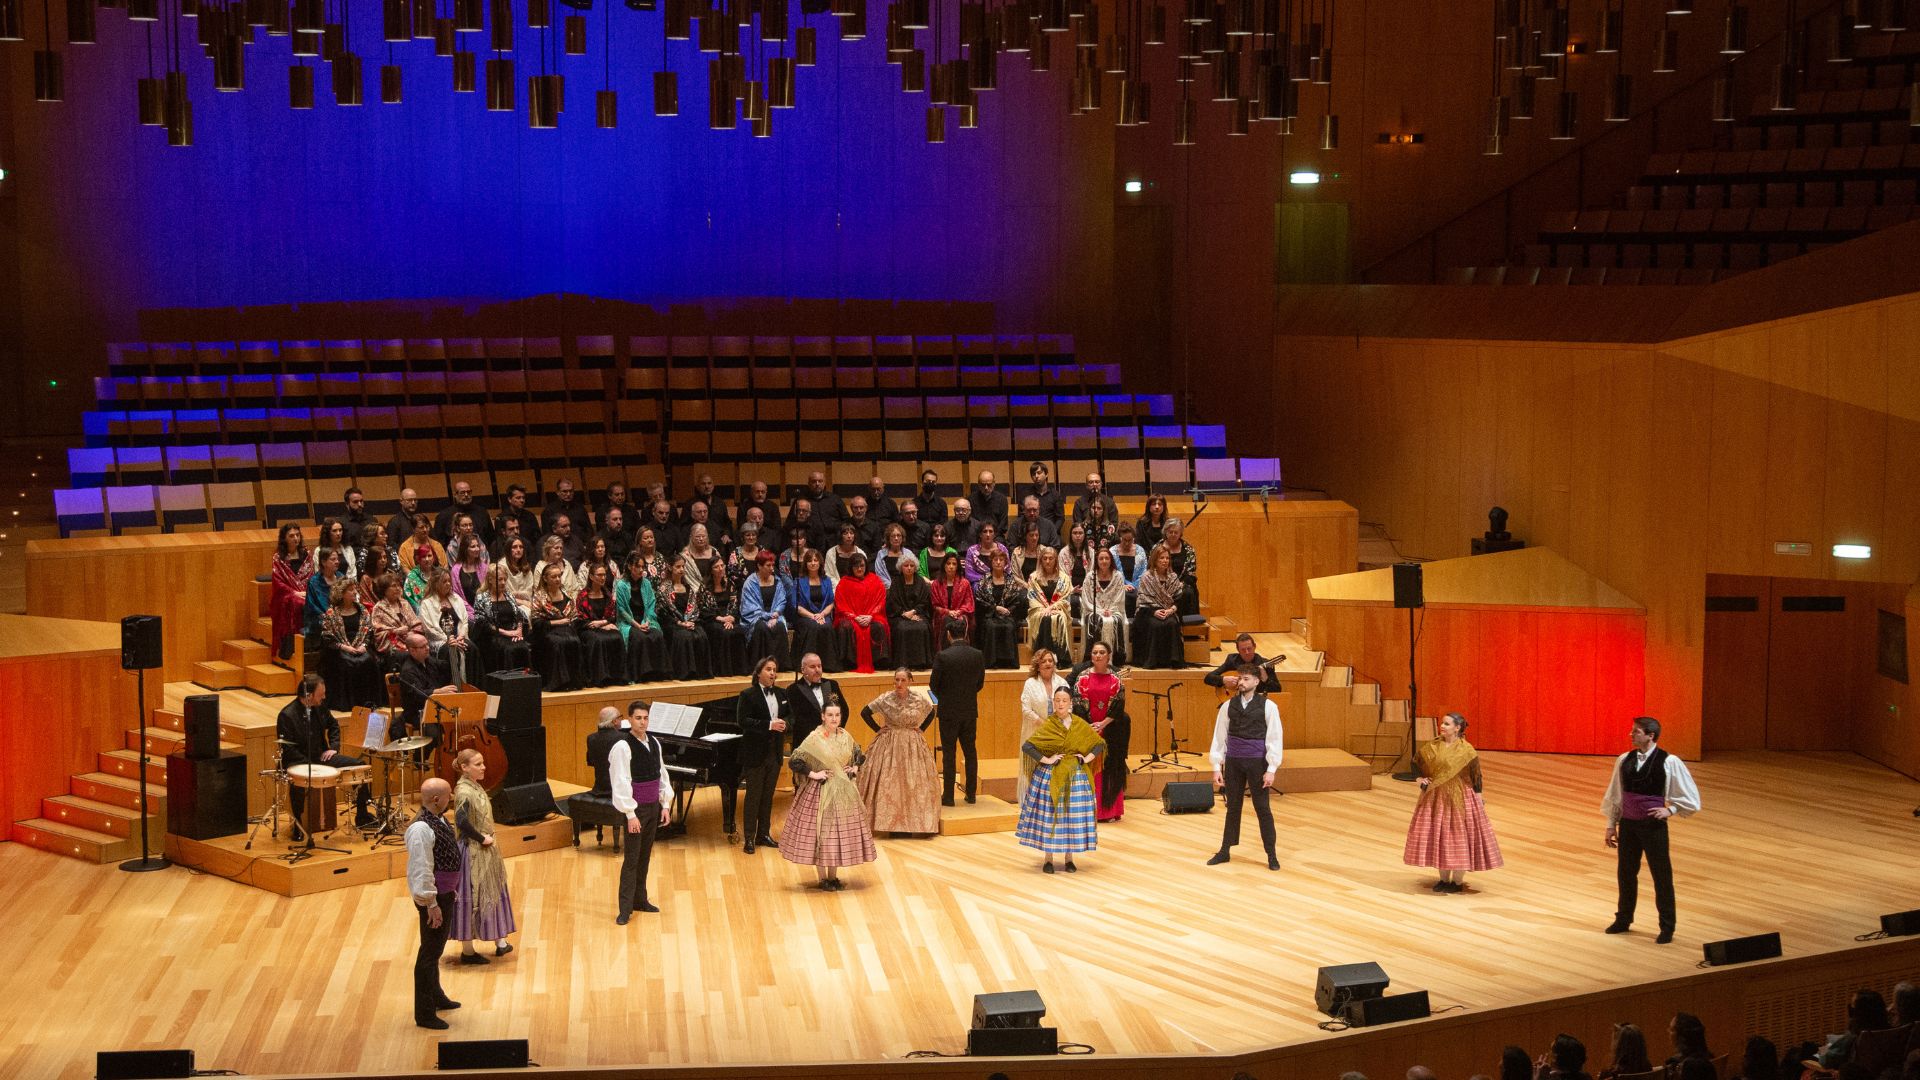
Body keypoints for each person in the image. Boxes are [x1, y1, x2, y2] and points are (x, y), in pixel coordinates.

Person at [1603, 716, 1702, 944]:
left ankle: (1667, 926)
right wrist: (1611, 824)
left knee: (1661, 876)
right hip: (1629, 825)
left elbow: (1691, 797)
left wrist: (1670, 810)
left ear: (1650, 735)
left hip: (1653, 827)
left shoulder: (1669, 761)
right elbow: (1615, 794)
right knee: (1626, 873)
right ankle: (1623, 919)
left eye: (1636, 731)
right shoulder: (1624, 760)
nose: (1631, 735)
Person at [1405, 711, 1504, 892]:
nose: (1442, 726)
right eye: (1442, 723)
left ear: (1457, 728)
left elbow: (1476, 775)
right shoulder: (1433, 746)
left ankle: (1457, 883)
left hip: (1461, 797)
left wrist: (1479, 798)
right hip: (1436, 797)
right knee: (1440, 837)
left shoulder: (1467, 750)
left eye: (1447, 724)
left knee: (1459, 838)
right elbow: (1415, 762)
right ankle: (1443, 880)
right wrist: (1419, 779)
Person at [783, 702, 876, 890]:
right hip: (820, 792)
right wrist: (814, 774)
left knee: (836, 835)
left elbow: (859, 754)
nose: (834, 719)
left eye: (837, 715)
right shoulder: (814, 737)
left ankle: (833, 877)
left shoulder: (845, 736)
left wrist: (854, 767)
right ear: (822, 717)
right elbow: (795, 760)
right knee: (821, 834)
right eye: (830, 715)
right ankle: (822, 878)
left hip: (843, 792)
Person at [1204, 663, 1283, 869]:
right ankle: (1225, 850)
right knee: (1233, 807)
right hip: (1234, 762)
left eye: (1246, 679)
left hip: (1257, 763)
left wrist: (1271, 770)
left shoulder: (1268, 706)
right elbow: (1219, 736)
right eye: (1240, 678)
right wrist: (1216, 766)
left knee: (1262, 808)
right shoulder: (1228, 706)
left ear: (1256, 682)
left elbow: (1274, 739)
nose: (1241, 682)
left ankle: (1271, 854)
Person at [1017, 687, 1103, 874]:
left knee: (1071, 817)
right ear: (1053, 703)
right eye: (1057, 700)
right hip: (1051, 775)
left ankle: (1069, 858)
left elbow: (1098, 744)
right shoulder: (1049, 725)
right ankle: (1048, 858)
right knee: (1050, 815)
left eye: (1064, 700)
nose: (1061, 704)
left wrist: (1086, 759)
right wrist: (1047, 760)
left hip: (1075, 776)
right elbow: (1028, 746)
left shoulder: (1079, 724)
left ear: (1070, 702)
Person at [277, 674, 375, 835]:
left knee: (360, 766)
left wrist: (334, 747)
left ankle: (362, 816)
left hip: (321, 758)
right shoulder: (287, 715)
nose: (324, 697)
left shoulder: (319, 707)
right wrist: (310, 765)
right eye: (320, 694)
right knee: (297, 783)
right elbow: (287, 749)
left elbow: (334, 725)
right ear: (309, 695)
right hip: (298, 761)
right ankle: (298, 825)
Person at [405, 776, 461, 1029]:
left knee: (435, 950)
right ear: (437, 799)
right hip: (434, 898)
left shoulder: (439, 819)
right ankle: (424, 1013)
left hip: (443, 894)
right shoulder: (420, 829)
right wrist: (431, 903)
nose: (452, 798)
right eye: (449, 794)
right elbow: (421, 868)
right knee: (429, 953)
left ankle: (436, 996)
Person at [450, 749, 515, 963]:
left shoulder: (474, 785)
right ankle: (468, 952)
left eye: (482, 763)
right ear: (465, 768)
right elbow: (461, 822)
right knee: (471, 897)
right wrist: (481, 838)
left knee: (494, 890)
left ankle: (501, 942)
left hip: (486, 849)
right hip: (473, 851)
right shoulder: (464, 791)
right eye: (478, 764)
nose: (483, 767)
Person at [611, 699, 673, 923]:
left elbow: (661, 774)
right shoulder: (623, 747)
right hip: (636, 811)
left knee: (645, 856)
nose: (642, 722)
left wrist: (665, 805)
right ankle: (625, 908)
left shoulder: (654, 742)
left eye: (646, 718)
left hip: (653, 808)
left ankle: (640, 900)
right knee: (632, 859)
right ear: (629, 719)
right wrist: (630, 814)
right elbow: (620, 782)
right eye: (638, 718)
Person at [859, 669, 941, 833]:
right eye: (896, 680)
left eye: (903, 680)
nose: (899, 684)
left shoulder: (918, 698)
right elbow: (865, 712)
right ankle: (890, 823)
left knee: (914, 782)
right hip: (889, 744)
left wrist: (922, 728)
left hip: (913, 744)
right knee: (889, 783)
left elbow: (932, 712)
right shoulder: (886, 698)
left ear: (910, 681)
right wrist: (877, 729)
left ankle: (915, 823)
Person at [735, 657, 790, 853]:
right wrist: (769, 725)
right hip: (755, 753)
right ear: (758, 673)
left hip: (774, 753)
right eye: (768, 669)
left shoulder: (782, 693)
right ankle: (749, 838)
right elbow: (742, 721)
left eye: (774, 669)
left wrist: (785, 724)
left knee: (768, 797)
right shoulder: (748, 695)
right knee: (753, 797)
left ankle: (763, 834)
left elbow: (790, 715)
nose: (773, 673)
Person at [1072, 641, 1130, 821]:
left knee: (1110, 769)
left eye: (1101, 652)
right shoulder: (1082, 677)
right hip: (1088, 728)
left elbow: (1119, 705)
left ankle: (1110, 811)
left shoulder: (1116, 678)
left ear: (1108, 656)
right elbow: (1078, 703)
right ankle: (1090, 811)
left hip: (1111, 728)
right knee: (1091, 769)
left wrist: (1103, 724)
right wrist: (1091, 726)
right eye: (1095, 652)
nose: (1097, 655)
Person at [1018, 649, 1069, 807]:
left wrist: (1058, 724)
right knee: (1032, 769)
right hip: (1034, 733)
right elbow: (1026, 710)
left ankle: (1053, 804)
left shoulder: (1062, 683)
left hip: (1057, 732)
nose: (1048, 663)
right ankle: (1030, 805)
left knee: (1054, 768)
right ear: (1037, 665)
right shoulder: (1030, 683)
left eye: (1050, 661)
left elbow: (1069, 706)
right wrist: (1044, 724)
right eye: (1044, 661)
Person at [320, 582, 382, 710]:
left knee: (368, 660)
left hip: (360, 646)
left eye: (355, 589)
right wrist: (345, 647)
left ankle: (367, 702)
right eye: (350, 590)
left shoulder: (362, 610)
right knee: (346, 662)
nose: (355, 592)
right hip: (339, 648)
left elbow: (369, 631)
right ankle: (348, 703)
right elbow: (327, 636)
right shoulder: (331, 613)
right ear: (341, 594)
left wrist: (364, 645)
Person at [395, 632, 459, 747]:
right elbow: (417, 695)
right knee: (433, 736)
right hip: (417, 712)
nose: (427, 648)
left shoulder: (429, 660)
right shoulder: (408, 671)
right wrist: (437, 692)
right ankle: (419, 756)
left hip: (436, 708)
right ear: (412, 650)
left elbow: (447, 667)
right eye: (423, 646)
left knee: (457, 723)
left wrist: (452, 650)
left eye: (427, 644)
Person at [833, 552, 891, 673]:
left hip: (872, 616)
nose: (859, 569)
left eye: (862, 566)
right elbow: (840, 604)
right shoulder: (843, 582)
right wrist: (855, 617)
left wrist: (870, 616)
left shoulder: (875, 580)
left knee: (879, 626)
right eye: (856, 566)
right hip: (850, 617)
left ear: (866, 566)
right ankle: (849, 662)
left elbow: (880, 601)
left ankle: (879, 662)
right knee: (846, 627)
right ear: (851, 568)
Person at [573, 563, 628, 687]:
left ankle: (617, 677)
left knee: (617, 636)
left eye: (604, 575)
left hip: (603, 625)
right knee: (597, 639)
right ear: (591, 577)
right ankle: (600, 678)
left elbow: (613, 615)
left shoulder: (607, 594)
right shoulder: (582, 596)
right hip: (587, 628)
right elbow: (580, 619)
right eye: (599, 575)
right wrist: (600, 624)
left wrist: (603, 623)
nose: (603, 577)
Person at [1133, 544, 1187, 668]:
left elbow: (1179, 599)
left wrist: (1171, 610)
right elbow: (1142, 601)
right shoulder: (1147, 577)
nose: (1165, 561)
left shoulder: (1173, 577)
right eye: (1161, 558)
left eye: (1167, 558)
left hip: (1169, 610)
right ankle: (1151, 660)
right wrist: (1154, 612)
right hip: (1149, 612)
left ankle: (1172, 660)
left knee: (1172, 623)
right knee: (1155, 624)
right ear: (1155, 560)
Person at [418, 570, 475, 686]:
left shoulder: (456, 599)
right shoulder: (427, 603)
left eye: (449, 581)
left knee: (472, 648)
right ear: (436, 584)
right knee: (452, 651)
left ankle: (473, 686)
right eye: (444, 582)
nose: (448, 584)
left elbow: (464, 621)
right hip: (440, 640)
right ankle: (453, 686)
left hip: (459, 637)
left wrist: (461, 636)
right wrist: (448, 639)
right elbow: (429, 628)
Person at [530, 564, 581, 692]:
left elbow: (574, 616)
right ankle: (558, 682)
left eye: (559, 576)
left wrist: (568, 624)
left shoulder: (567, 595)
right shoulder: (539, 597)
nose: (558, 579)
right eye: (554, 577)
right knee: (558, 642)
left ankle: (572, 681)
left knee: (574, 641)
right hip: (547, 631)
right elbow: (536, 622)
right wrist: (557, 622)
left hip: (566, 629)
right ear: (545, 579)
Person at [739, 549, 792, 672]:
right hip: (756, 616)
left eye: (773, 565)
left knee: (779, 626)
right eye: (768, 565)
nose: (772, 568)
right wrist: (768, 616)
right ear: (759, 566)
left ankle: (780, 665)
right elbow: (749, 606)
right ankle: (760, 665)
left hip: (775, 614)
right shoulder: (750, 583)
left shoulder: (777, 581)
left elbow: (781, 600)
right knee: (762, 627)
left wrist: (776, 615)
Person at [473, 565, 533, 674]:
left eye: (505, 579)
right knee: (508, 650)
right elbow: (482, 623)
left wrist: (519, 631)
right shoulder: (481, 598)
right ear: (490, 580)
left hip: (513, 633)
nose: (503, 582)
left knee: (523, 647)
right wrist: (507, 633)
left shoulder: (508, 595)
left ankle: (524, 679)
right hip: (493, 635)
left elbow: (519, 614)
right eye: (500, 579)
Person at [695, 558, 748, 677]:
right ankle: (724, 670)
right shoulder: (704, 587)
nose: (720, 569)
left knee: (738, 630)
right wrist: (720, 619)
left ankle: (739, 669)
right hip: (712, 619)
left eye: (722, 565)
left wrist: (731, 617)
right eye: (716, 567)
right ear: (711, 570)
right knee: (723, 632)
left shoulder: (730, 584)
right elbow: (702, 609)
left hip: (728, 617)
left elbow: (735, 603)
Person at [788, 548, 839, 673]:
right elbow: (796, 605)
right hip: (805, 616)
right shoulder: (798, 581)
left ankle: (828, 665)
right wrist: (813, 616)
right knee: (813, 626)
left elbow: (831, 603)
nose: (813, 563)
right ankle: (808, 666)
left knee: (827, 627)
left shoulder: (826, 581)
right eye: (810, 561)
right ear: (805, 563)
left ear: (820, 563)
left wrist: (822, 614)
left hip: (823, 614)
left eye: (816, 560)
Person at [270, 523, 315, 660]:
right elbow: (278, 583)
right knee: (299, 603)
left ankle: (313, 643)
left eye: (297, 535)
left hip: (306, 592)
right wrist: (294, 593)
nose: (296, 538)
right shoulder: (278, 558)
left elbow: (311, 576)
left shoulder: (306, 554)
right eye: (291, 536)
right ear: (284, 538)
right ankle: (292, 647)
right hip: (286, 596)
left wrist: (306, 591)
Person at [786, 652, 845, 756]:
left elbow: (844, 710)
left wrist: (834, 730)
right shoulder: (793, 690)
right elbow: (796, 719)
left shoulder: (832, 684)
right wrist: (818, 735)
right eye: (812, 667)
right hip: (806, 745)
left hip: (832, 743)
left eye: (819, 666)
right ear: (803, 670)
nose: (817, 670)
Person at [660, 561, 711, 681]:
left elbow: (694, 608)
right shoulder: (664, 588)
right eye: (678, 566)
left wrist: (691, 621)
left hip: (689, 621)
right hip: (672, 622)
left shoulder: (688, 587)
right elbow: (662, 612)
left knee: (701, 634)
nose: (681, 569)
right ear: (670, 567)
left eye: (683, 567)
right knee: (684, 636)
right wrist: (679, 623)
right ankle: (684, 672)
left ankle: (701, 672)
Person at [974, 549, 1025, 669]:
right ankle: (992, 662)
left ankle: (1008, 662)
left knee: (1009, 626)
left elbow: (1016, 601)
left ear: (1005, 562)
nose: (998, 562)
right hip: (989, 615)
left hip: (1007, 615)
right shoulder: (984, 580)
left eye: (1001, 560)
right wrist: (995, 608)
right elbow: (979, 600)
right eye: (995, 560)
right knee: (992, 626)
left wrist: (1008, 610)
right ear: (991, 562)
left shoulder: (1011, 580)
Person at [1080, 547, 1131, 664]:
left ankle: (1116, 659)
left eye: (1107, 558)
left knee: (1116, 620)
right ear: (1097, 561)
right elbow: (1086, 598)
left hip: (1114, 610)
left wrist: (1110, 610)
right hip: (1093, 611)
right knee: (1095, 620)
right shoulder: (1090, 577)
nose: (1104, 561)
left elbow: (1120, 597)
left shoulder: (1118, 576)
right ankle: (1092, 659)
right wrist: (1100, 611)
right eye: (1101, 558)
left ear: (1111, 560)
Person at [885, 553, 934, 670]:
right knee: (901, 628)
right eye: (906, 565)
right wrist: (903, 613)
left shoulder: (921, 582)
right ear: (901, 567)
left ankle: (921, 663)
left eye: (912, 565)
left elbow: (925, 601)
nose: (909, 568)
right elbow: (892, 602)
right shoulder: (896, 582)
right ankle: (903, 663)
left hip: (918, 613)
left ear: (915, 567)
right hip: (899, 615)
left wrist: (913, 612)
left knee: (922, 627)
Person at [1821, 991, 1892, 1068]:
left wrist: (1824, 1048)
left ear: (1859, 1011)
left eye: (1852, 1004)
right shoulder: (1890, 1030)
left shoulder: (1853, 1036)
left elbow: (1825, 1061)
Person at [1025, 546, 1073, 659]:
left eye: (1051, 558)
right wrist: (1044, 610)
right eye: (1045, 558)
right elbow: (1032, 598)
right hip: (1039, 610)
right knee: (1045, 618)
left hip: (1059, 610)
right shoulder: (1033, 577)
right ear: (1041, 560)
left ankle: (1061, 659)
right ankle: (1042, 658)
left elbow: (1066, 599)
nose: (1047, 561)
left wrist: (1051, 608)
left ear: (1056, 560)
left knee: (1058, 618)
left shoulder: (1064, 578)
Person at [369, 572, 424, 669]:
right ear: (384, 590)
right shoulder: (379, 607)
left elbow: (417, 623)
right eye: (394, 586)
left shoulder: (404, 603)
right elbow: (377, 632)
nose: (398, 588)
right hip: (392, 645)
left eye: (399, 585)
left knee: (424, 649)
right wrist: (394, 631)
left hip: (411, 640)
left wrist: (412, 633)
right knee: (408, 654)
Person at [1205, 633, 1282, 693]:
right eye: (1243, 650)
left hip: (1256, 703)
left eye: (1249, 648)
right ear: (1238, 649)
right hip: (1233, 700)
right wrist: (1223, 679)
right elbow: (1208, 678)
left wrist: (1266, 679)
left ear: (1254, 646)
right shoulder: (1232, 661)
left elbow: (1277, 690)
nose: (1247, 652)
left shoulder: (1265, 664)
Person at [928, 549, 974, 647]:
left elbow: (969, 603)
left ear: (958, 567)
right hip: (942, 615)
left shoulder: (965, 583)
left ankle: (960, 652)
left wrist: (959, 612)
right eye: (948, 563)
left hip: (960, 614)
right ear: (944, 565)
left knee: (959, 622)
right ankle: (945, 651)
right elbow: (934, 605)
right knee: (947, 620)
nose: (951, 566)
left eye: (954, 564)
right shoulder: (936, 584)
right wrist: (948, 612)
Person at [305, 547, 345, 642]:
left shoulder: (341, 578)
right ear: (323, 562)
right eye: (333, 559)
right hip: (320, 619)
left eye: (337, 559)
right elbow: (312, 607)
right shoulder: (314, 582)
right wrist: (329, 617)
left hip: (341, 615)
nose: (337, 562)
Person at [1023, 461, 1066, 534]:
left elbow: (1060, 518)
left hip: (1051, 532)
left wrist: (1052, 532)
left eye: (1039, 473)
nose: (1036, 476)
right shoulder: (1026, 496)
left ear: (1046, 474)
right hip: (1031, 533)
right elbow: (1022, 517)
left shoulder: (1055, 495)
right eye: (1033, 474)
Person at [962, 521, 1007, 586]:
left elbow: (1007, 570)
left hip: (1000, 581)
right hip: (979, 584)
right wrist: (988, 580)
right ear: (980, 534)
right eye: (985, 531)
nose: (988, 534)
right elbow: (969, 574)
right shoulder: (972, 551)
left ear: (994, 534)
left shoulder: (1002, 549)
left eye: (990, 531)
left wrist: (996, 579)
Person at [970, 468, 1009, 535]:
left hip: (996, 535)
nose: (986, 488)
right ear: (978, 484)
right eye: (983, 485)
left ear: (994, 483)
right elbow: (970, 523)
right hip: (977, 535)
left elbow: (1003, 525)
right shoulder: (970, 500)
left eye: (989, 484)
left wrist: (992, 535)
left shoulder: (1002, 499)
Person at [386, 488, 421, 552]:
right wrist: (407, 551)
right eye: (409, 500)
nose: (413, 503)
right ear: (401, 501)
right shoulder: (394, 522)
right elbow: (390, 545)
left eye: (415, 500)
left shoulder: (422, 519)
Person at [339, 486, 372, 551]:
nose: (359, 504)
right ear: (347, 504)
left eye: (361, 501)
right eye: (355, 502)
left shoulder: (371, 520)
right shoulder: (341, 523)